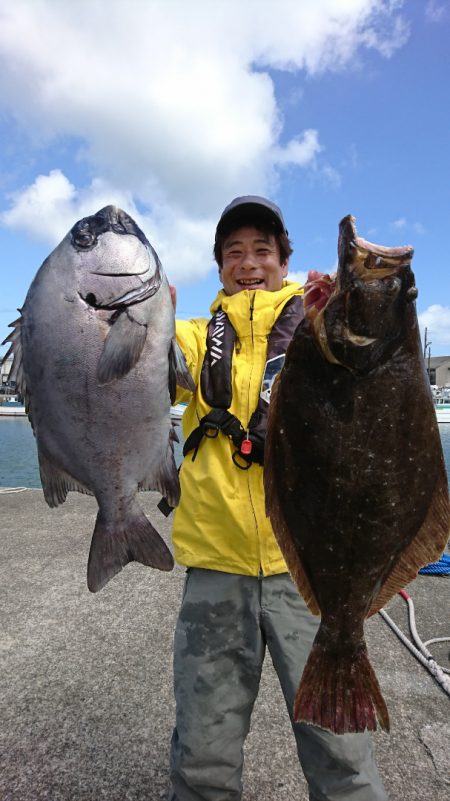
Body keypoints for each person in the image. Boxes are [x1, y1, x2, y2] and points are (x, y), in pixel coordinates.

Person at [168, 196, 387, 801]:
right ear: (218, 267)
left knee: (342, 750)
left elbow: (369, 388)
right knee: (202, 754)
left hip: (310, 572)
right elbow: (138, 369)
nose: (248, 263)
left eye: (262, 251)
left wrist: (340, 304)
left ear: (284, 261)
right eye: (233, 252)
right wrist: (144, 321)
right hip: (217, 568)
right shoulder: (190, 337)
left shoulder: (321, 324)